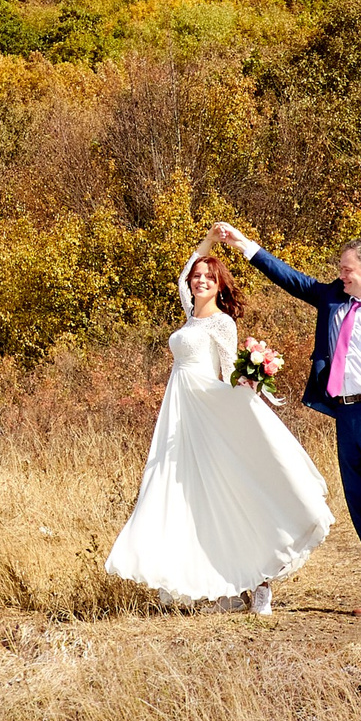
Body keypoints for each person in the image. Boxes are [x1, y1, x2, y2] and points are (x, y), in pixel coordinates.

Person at [211, 221, 361, 616]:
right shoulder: (331, 299)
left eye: (346, 268)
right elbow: (289, 277)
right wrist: (244, 245)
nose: (341, 274)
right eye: (340, 268)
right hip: (346, 416)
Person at [104, 243, 333, 614]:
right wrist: (209, 239)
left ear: (220, 286)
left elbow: (227, 372)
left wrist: (250, 383)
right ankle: (227, 589)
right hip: (180, 414)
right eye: (198, 277)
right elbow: (182, 274)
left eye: (209, 278)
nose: (200, 281)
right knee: (196, 495)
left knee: (232, 490)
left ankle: (261, 584)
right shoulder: (191, 315)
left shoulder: (222, 322)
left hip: (209, 409)